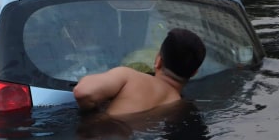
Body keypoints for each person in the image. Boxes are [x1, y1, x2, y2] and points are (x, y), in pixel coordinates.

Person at [73, 28, 206, 116]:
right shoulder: (180, 107)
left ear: (158, 61)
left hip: (97, 139)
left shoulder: (129, 77)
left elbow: (83, 92)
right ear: (194, 72)